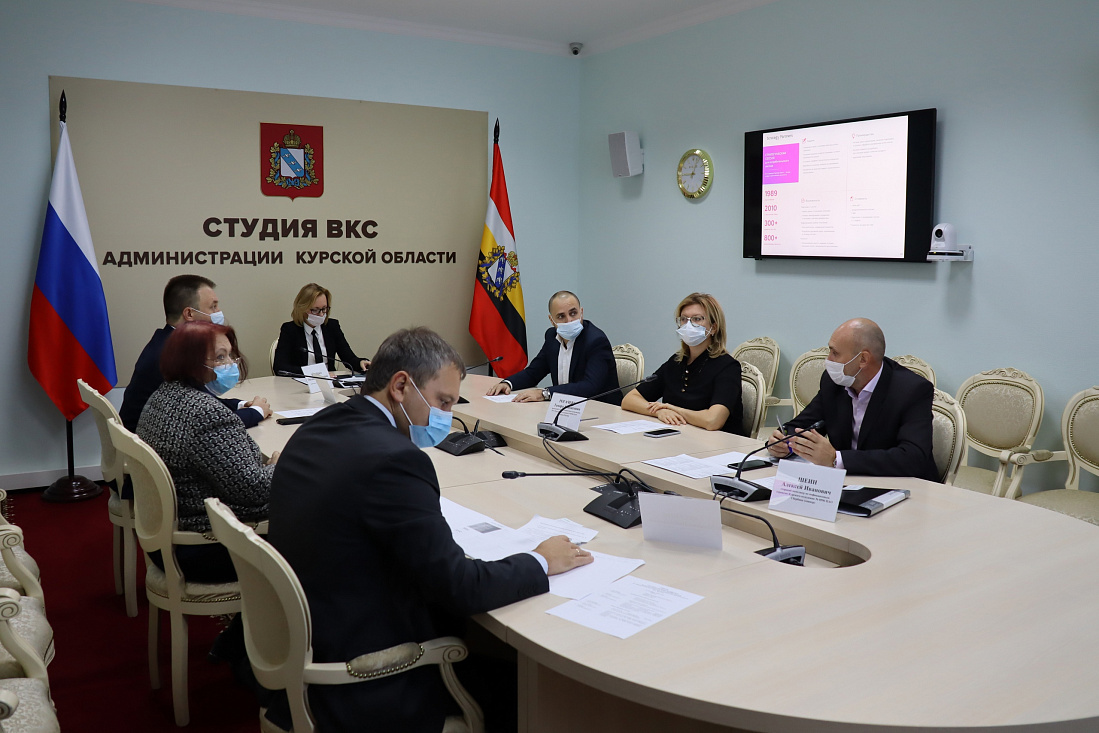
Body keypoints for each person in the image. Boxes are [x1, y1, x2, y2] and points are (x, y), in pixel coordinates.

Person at [267, 327, 592, 732]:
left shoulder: (325, 422)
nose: (445, 417)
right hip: (364, 675)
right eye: (442, 402)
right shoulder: (395, 460)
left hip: (310, 635)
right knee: (536, 697)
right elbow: (461, 588)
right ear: (401, 385)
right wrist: (540, 561)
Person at [136, 321, 277, 581]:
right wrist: (281, 465)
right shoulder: (206, 414)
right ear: (190, 362)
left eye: (231, 355)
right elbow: (254, 490)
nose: (231, 364)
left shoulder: (164, 394)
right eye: (220, 357)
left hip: (169, 537)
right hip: (206, 546)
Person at [768, 318, 938, 481]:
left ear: (863, 359)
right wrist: (783, 442)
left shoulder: (912, 390)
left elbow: (913, 458)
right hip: (845, 483)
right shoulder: (834, 382)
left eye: (835, 353)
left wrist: (837, 459)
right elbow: (803, 426)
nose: (828, 360)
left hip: (902, 487)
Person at [120, 274, 270, 432]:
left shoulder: (165, 340)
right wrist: (256, 412)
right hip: (149, 440)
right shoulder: (173, 355)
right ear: (189, 314)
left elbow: (201, 399)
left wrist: (240, 405)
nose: (219, 312)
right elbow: (209, 421)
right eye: (213, 307)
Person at [621, 292, 745, 434]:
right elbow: (629, 400)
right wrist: (659, 412)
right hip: (679, 436)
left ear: (714, 327)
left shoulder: (727, 367)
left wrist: (673, 409)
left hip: (718, 443)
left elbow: (712, 421)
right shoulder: (676, 361)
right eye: (684, 319)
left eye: (697, 319)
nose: (689, 325)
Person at [485, 290, 621, 404]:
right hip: (565, 409)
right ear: (552, 320)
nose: (569, 320)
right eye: (561, 316)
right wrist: (507, 383)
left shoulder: (596, 341)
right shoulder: (552, 338)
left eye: (573, 313)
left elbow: (590, 387)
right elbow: (533, 373)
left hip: (601, 411)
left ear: (581, 312)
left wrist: (545, 393)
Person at [272, 283, 370, 374]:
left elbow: (349, 358)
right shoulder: (290, 330)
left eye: (324, 309)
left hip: (330, 382)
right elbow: (280, 367)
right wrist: (315, 372)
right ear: (302, 308)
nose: (321, 314)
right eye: (315, 310)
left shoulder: (332, 326)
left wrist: (360, 363)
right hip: (301, 383)